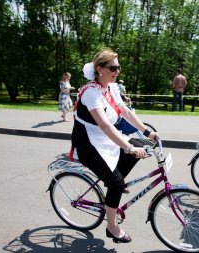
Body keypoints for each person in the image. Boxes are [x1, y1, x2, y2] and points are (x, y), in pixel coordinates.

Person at [70, 49, 159, 243]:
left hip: (104, 138)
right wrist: (128, 147)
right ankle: (111, 227)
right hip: (88, 144)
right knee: (118, 182)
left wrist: (147, 132)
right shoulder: (91, 93)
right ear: (99, 69)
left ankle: (111, 186)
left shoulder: (111, 88)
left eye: (118, 67)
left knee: (136, 149)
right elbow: (105, 124)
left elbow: (125, 112)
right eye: (113, 67)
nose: (117, 71)